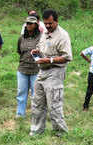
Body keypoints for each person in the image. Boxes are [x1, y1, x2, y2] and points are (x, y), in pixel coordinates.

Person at [29, 9, 72, 137]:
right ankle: (37, 130)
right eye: (46, 23)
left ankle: (61, 133)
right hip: (42, 71)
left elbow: (67, 56)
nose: (48, 26)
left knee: (54, 104)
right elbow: (43, 47)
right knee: (37, 102)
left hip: (55, 72)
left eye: (50, 23)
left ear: (56, 21)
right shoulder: (45, 33)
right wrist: (36, 51)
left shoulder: (63, 35)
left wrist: (50, 59)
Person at [15, 16, 41, 118]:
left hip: (36, 69)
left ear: (36, 25)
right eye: (27, 23)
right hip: (22, 69)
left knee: (36, 94)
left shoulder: (41, 37)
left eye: (31, 23)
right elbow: (19, 51)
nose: (29, 25)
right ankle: (20, 114)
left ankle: (36, 114)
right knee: (21, 92)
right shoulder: (21, 38)